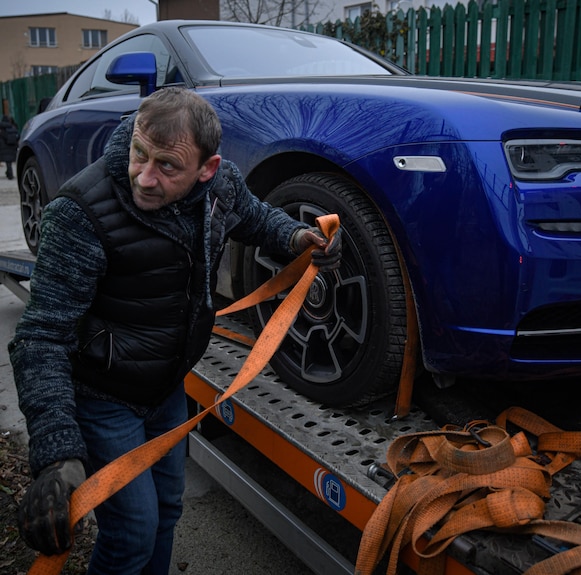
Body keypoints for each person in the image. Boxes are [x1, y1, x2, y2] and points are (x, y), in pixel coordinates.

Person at [10, 87, 341, 574]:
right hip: (103, 395)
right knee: (131, 537)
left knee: (167, 513)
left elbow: (252, 216)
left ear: (207, 169)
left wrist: (295, 236)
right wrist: (58, 452)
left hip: (167, 388)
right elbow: (40, 338)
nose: (144, 177)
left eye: (166, 166)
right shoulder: (79, 215)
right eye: (138, 155)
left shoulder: (219, 187)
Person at [0, 114, 19, 179]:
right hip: (11, 148)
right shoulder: (14, 128)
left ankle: (9, 174)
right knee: (9, 163)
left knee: (7, 161)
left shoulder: (2, 130)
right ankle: (10, 174)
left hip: (3, 149)